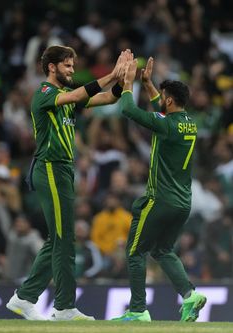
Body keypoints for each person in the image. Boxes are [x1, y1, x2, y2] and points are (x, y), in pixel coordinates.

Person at [5, 45, 131, 321]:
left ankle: (24, 297)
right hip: (49, 167)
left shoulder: (67, 96)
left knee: (59, 239)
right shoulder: (45, 93)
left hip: (63, 170)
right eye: (67, 66)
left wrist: (122, 83)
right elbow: (78, 94)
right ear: (52, 67)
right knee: (64, 240)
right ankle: (63, 307)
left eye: (73, 66)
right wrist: (111, 74)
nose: (72, 70)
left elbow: (108, 100)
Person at [111, 57, 206, 322]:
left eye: (163, 97)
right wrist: (149, 84)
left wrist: (128, 85)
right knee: (162, 250)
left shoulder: (165, 125)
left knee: (134, 252)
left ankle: (138, 311)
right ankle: (190, 296)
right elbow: (162, 111)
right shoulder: (189, 123)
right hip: (182, 203)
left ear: (170, 101)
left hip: (160, 199)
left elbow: (128, 110)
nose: (160, 100)